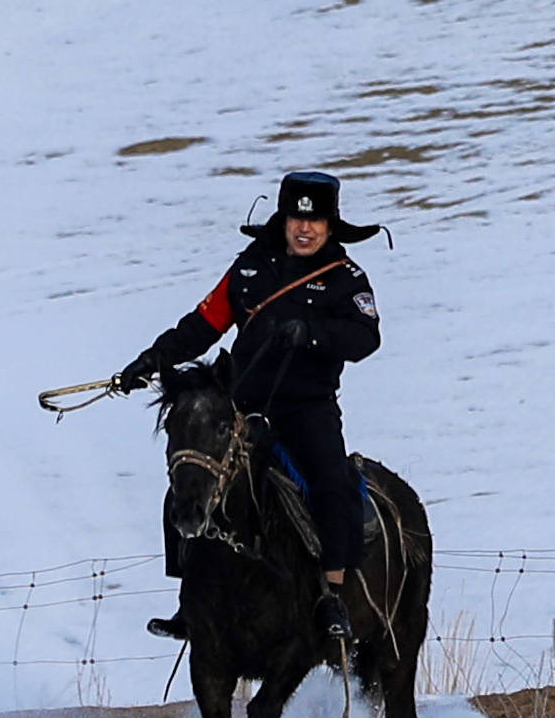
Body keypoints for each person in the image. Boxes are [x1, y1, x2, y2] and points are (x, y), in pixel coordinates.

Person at [115, 170, 384, 640]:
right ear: (282, 221)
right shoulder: (249, 268)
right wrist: (151, 360)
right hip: (240, 407)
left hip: (308, 407)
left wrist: (312, 333)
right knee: (190, 475)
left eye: (316, 222)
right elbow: (204, 324)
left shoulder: (346, 279)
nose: (305, 230)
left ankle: (331, 597)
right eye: (297, 220)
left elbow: (366, 338)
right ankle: (189, 601)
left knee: (331, 483)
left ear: (329, 226)